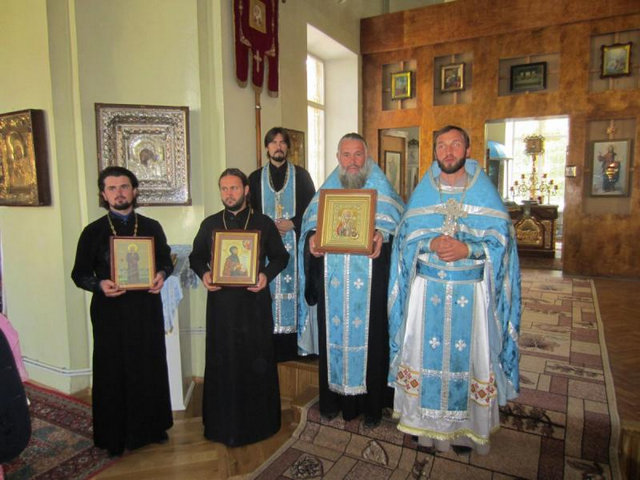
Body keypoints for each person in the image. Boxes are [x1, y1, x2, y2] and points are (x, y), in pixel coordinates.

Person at [388, 125, 521, 454]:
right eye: (442, 146)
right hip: (427, 293)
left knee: (468, 359)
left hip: (470, 294)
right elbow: (405, 239)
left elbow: (502, 243)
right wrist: (430, 242)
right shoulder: (424, 192)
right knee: (423, 355)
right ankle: (424, 427)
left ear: (468, 150)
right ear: (435, 152)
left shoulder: (483, 192)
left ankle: (466, 432)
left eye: (455, 144)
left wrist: (469, 249)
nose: (448, 152)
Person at [298, 133, 404, 427]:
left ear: (367, 157)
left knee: (374, 340)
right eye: (346, 155)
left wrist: (384, 236)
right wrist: (312, 242)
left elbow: (399, 227)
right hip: (333, 285)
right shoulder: (326, 193)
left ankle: (372, 407)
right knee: (332, 339)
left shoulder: (383, 191)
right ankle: (333, 401)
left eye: (358, 154)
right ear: (338, 158)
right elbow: (309, 228)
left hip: (371, 284)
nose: (353, 161)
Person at [71, 166, 173, 456]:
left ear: (135, 191)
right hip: (110, 311)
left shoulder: (152, 227)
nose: (119, 193)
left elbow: (166, 260)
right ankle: (113, 436)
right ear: (104, 195)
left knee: (148, 366)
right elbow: (79, 273)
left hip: (145, 309)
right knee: (112, 371)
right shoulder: (92, 232)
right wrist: (99, 284)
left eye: (124, 186)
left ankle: (153, 428)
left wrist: (162, 275)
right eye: (112, 188)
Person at [189, 168, 289, 446]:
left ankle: (259, 424)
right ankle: (221, 425)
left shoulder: (263, 223)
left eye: (234, 188)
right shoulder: (210, 224)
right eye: (224, 188)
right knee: (223, 361)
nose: (229, 193)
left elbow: (281, 257)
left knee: (255, 361)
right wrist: (204, 274)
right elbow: (196, 257)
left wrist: (265, 276)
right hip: (221, 307)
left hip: (254, 305)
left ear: (245, 190)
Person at [249, 127, 316, 362]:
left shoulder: (302, 176)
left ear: (287, 147)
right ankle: (268, 346)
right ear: (267, 147)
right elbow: (250, 213)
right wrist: (267, 228)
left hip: (295, 245)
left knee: (295, 289)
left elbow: (312, 211)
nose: (278, 146)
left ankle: (295, 346)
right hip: (265, 248)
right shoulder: (255, 178)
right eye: (273, 142)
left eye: (282, 142)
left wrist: (293, 223)